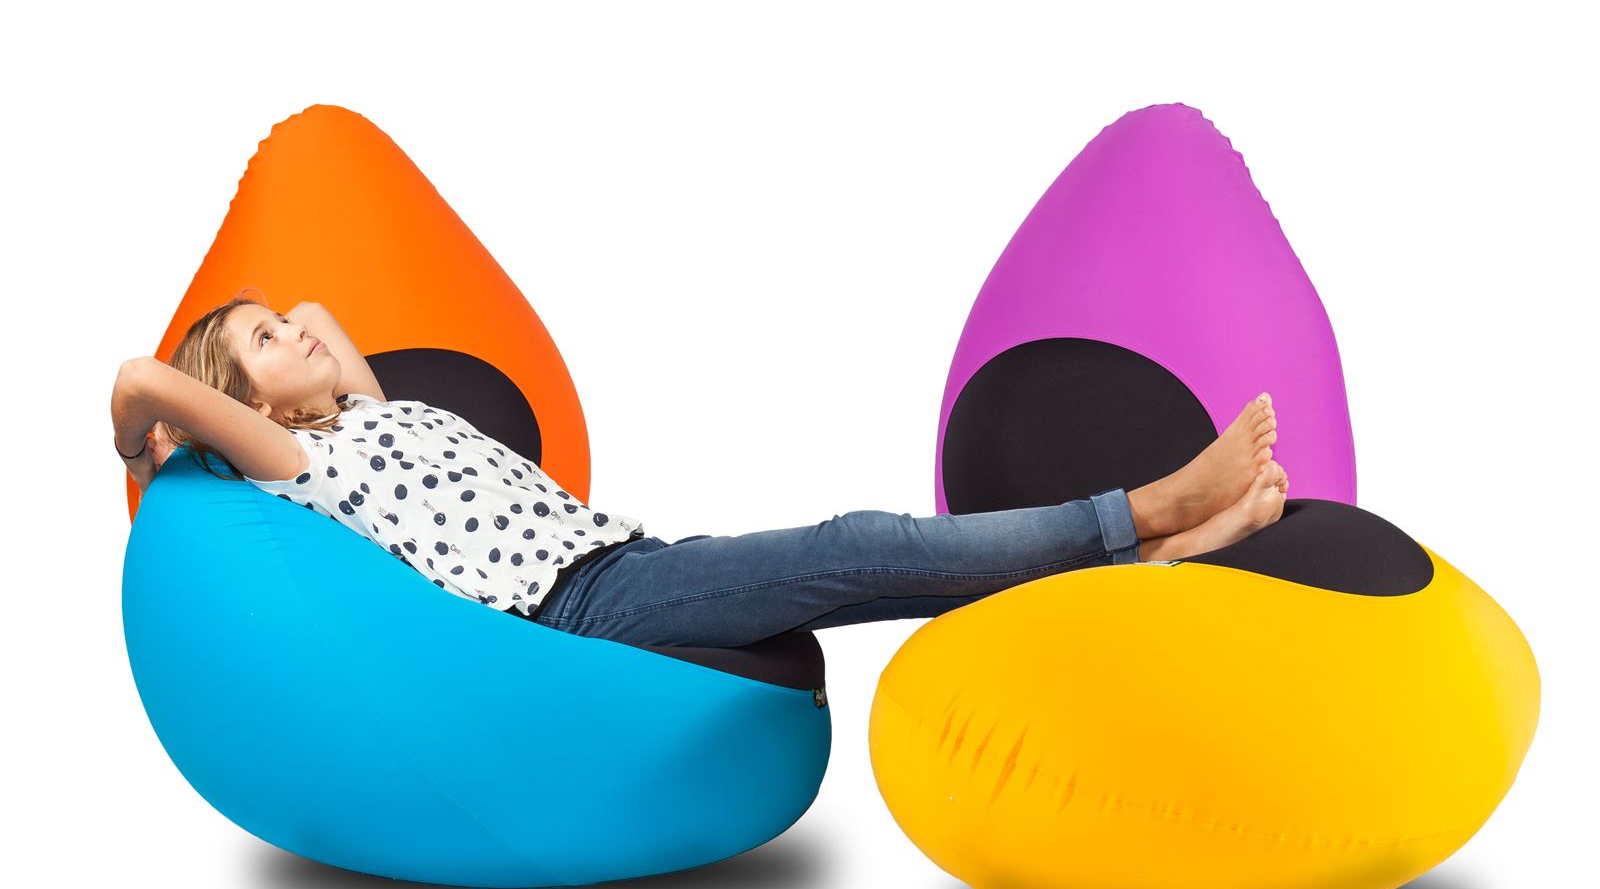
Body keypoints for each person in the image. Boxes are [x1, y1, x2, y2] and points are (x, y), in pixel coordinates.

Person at [111, 291, 1289, 649]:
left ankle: (1157, 553)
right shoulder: (302, 463)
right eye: (266, 340)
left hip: (624, 561)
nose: (300, 328)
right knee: (859, 545)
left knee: (885, 583)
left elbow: (322, 310)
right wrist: (145, 443)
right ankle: (1146, 505)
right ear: (246, 404)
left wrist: (283, 338)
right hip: (575, 604)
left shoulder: (370, 410)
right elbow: (142, 379)